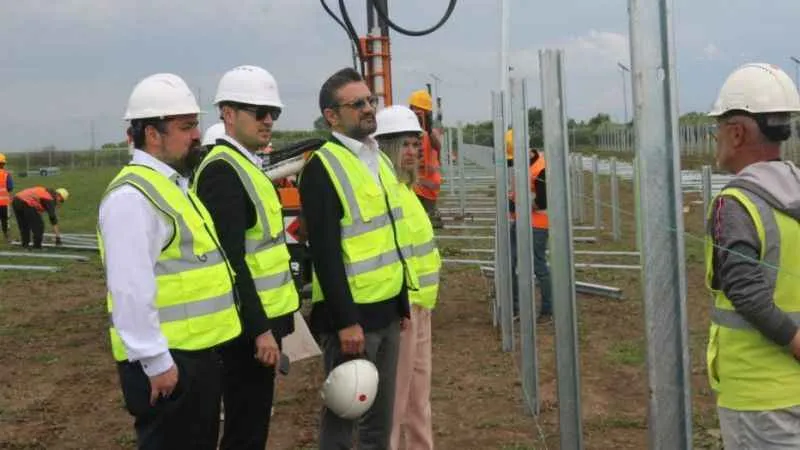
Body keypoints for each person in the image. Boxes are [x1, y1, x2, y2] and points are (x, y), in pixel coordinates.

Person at [98, 73, 241, 450]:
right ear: (152, 134)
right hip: (168, 365)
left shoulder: (174, 186)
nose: (197, 135)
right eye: (186, 126)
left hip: (193, 357)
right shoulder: (132, 198)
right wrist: (156, 362)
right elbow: (129, 289)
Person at [299, 67, 415, 450]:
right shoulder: (322, 168)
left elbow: (390, 237)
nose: (368, 108)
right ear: (332, 116)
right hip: (352, 322)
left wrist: (401, 303)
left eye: (370, 100)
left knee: (379, 425)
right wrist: (347, 322)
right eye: (357, 103)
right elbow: (325, 254)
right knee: (343, 419)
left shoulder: (379, 160)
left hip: (387, 312)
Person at [193, 65, 299, 450]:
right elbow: (232, 263)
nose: (268, 120)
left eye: (274, 112)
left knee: (253, 425)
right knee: (245, 431)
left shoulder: (244, 165)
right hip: (246, 332)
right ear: (228, 113)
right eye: (259, 112)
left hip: (262, 322)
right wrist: (259, 330)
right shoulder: (222, 172)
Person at [705, 62, 800, 449]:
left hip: (758, 394)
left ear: (737, 133)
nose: (715, 138)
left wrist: (795, 340)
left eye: (718, 128)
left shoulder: (736, 203)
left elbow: (745, 290)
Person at [374, 105, 441, 450]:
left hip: (420, 307)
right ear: (385, 147)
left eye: (416, 144)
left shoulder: (406, 191)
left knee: (418, 399)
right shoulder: (383, 192)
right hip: (402, 311)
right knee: (394, 401)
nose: (413, 151)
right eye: (405, 145)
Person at [508, 147, 553, 324]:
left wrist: (520, 205)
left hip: (537, 225)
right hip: (519, 220)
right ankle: (515, 308)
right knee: (511, 262)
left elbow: (542, 201)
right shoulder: (523, 166)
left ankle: (547, 310)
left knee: (538, 266)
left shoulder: (541, 168)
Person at [408, 90, 444, 228]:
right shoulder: (408, 131)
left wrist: (428, 130)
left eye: (421, 112)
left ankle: (434, 219)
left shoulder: (432, 132)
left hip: (429, 185)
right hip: (413, 183)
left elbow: (438, 146)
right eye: (415, 111)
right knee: (415, 220)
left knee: (430, 223)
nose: (418, 115)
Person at [0, 153, 14, 242]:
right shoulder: (6, 174)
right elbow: (10, 187)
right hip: (3, 203)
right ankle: (6, 236)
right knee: (4, 220)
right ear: (3, 163)